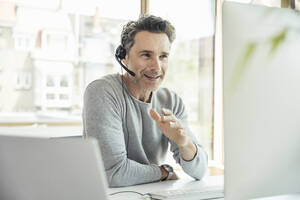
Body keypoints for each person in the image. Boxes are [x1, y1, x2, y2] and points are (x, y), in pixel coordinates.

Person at [82, 15, 208, 187]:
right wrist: (164, 172)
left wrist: (184, 143)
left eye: (163, 56)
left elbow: (200, 171)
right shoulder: (103, 92)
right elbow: (113, 173)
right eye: (146, 55)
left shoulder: (171, 101)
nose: (156, 67)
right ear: (124, 57)